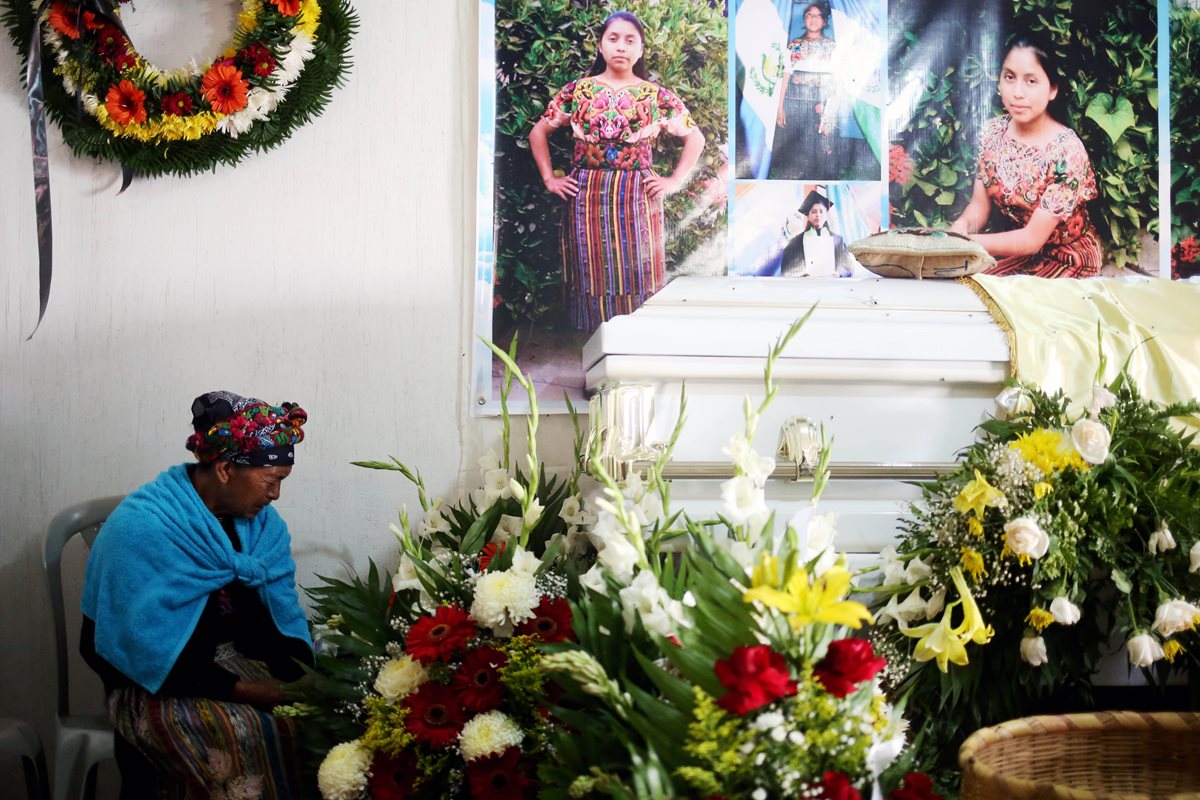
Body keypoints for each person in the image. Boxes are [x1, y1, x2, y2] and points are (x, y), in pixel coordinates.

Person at [80, 391, 313, 799]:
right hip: (150, 681)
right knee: (244, 734)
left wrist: (300, 678)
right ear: (225, 468)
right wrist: (244, 691)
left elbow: (279, 615)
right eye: (271, 481)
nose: (276, 496)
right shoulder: (143, 528)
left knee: (323, 718)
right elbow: (128, 649)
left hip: (236, 660)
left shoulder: (261, 527)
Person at [528, 11, 705, 332]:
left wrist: (674, 180)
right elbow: (538, 133)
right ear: (600, 46)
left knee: (637, 268)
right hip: (585, 196)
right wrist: (550, 179)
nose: (621, 47)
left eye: (629, 40)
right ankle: (594, 348)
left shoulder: (655, 96)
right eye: (613, 39)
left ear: (640, 50)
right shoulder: (578, 91)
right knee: (589, 267)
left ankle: (636, 346)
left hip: (637, 195)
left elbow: (695, 137)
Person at [948, 35, 1101, 277]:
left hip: (1067, 257)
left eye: (1031, 81)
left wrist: (966, 243)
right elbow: (979, 205)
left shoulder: (1066, 153)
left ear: (1052, 89)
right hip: (1017, 251)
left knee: (1000, 304)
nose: (1017, 93)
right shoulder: (992, 133)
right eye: (1009, 77)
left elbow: (1031, 240)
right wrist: (962, 227)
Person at [780, 188, 853, 277]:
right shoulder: (795, 242)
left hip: (833, 287)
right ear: (808, 215)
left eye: (821, 211)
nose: (818, 215)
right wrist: (801, 274)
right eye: (813, 212)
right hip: (804, 288)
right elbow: (787, 269)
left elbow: (847, 267)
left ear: (826, 214)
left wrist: (838, 273)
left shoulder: (838, 240)